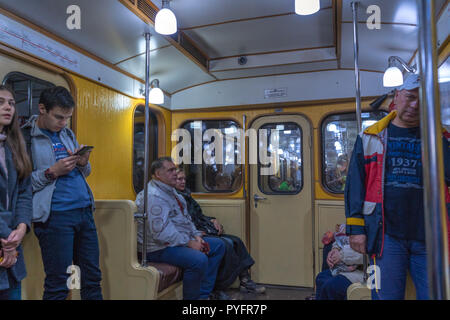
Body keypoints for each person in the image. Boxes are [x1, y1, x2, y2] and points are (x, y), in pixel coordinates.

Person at [345, 74, 450, 300]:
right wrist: (356, 229)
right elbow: (355, 187)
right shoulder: (369, 137)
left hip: (430, 235)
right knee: (384, 296)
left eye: (422, 101)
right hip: (385, 236)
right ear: (397, 96)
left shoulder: (440, 136)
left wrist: (436, 132)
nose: (415, 105)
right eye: (411, 97)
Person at [22, 86, 102, 300]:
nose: (63, 123)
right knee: (59, 283)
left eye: (67, 118)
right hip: (56, 216)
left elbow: (85, 172)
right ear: (42, 109)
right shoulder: (26, 138)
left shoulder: (67, 133)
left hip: (84, 212)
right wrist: (51, 172)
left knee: (92, 278)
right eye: (59, 117)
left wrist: (83, 163)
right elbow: (21, 186)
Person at [135, 157, 225, 300]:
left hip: (174, 242)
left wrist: (196, 236)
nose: (175, 174)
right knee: (198, 260)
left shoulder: (172, 192)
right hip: (156, 248)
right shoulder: (153, 196)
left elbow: (185, 219)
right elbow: (161, 233)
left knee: (219, 246)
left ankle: (203, 295)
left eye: (174, 169)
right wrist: (189, 243)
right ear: (158, 174)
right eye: (170, 170)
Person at [175, 168, 266, 296]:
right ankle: (216, 288)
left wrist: (212, 220)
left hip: (200, 229)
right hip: (193, 234)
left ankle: (245, 281)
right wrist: (197, 233)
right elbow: (183, 222)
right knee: (225, 244)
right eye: (179, 179)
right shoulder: (175, 198)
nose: (183, 182)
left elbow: (198, 216)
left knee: (236, 241)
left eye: (184, 179)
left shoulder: (187, 195)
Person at [0, 85, 33, 300]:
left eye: (11, 103)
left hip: (12, 239)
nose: (7, 107)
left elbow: (24, 192)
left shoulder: (14, 147)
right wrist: (8, 240)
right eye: (1, 102)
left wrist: (21, 228)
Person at [315, 224, 364, 300]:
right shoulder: (353, 224)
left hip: (364, 272)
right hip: (346, 268)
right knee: (321, 278)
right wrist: (335, 249)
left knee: (332, 286)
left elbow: (367, 254)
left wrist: (341, 255)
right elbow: (341, 240)